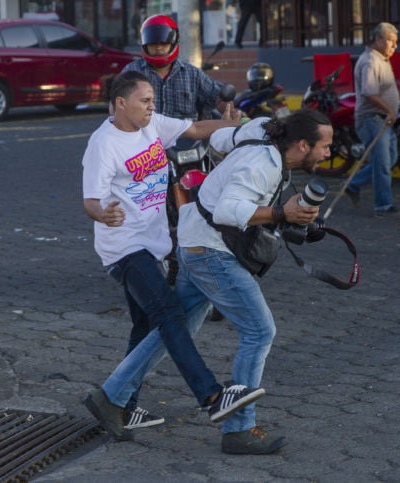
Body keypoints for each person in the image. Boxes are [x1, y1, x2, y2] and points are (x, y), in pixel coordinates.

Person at [81, 71, 263, 441]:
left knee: (145, 328)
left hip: (154, 245)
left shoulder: (151, 126)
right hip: (125, 249)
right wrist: (103, 213)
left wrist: (234, 127)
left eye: (152, 101)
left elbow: (195, 129)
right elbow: (90, 200)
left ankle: (118, 406)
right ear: (120, 103)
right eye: (145, 101)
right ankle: (211, 395)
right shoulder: (104, 144)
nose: (152, 106)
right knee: (168, 313)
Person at [175, 108, 333, 454]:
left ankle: (113, 397)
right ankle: (238, 430)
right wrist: (281, 212)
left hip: (193, 238)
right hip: (211, 251)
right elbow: (227, 211)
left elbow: (218, 138)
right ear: (303, 144)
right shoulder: (264, 163)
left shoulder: (262, 130)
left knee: (174, 331)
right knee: (259, 331)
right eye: (325, 146)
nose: (329, 153)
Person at [344, 22, 400, 219]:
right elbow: (369, 92)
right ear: (378, 40)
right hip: (372, 118)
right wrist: (389, 109)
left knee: (390, 159)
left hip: (382, 119)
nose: (394, 46)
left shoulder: (382, 58)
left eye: (396, 42)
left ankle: (353, 184)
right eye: (390, 41)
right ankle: (383, 206)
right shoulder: (371, 61)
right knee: (382, 163)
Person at [122, 14, 231, 120]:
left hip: (186, 137)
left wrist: (230, 110)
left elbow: (218, 97)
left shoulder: (192, 74)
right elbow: (117, 107)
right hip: (144, 136)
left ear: (173, 43)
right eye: (153, 43)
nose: (159, 47)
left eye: (164, 43)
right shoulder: (132, 72)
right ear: (145, 44)